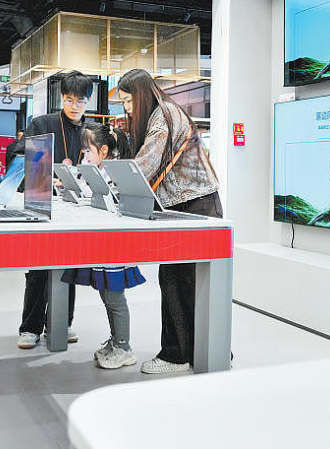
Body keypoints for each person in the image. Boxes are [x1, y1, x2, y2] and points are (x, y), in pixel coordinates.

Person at [117, 68, 222, 374]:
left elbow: (145, 164)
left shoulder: (163, 116)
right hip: (189, 205)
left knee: (181, 280)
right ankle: (203, 350)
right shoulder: (161, 113)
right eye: (123, 102)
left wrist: (115, 185)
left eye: (129, 101)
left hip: (196, 206)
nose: (127, 108)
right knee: (183, 281)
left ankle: (178, 356)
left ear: (141, 95)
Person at [17, 70, 92, 349]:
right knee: (38, 268)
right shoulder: (43, 123)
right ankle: (30, 327)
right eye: (69, 100)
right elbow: (22, 154)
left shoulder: (91, 132)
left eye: (80, 101)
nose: (74, 106)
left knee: (69, 267)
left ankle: (61, 323)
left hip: (76, 208)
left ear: (88, 101)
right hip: (44, 204)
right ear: (61, 97)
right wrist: (48, 174)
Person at [61, 123, 143, 369]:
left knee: (115, 298)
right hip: (102, 245)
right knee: (107, 296)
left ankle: (124, 347)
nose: (85, 155)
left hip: (115, 247)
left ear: (104, 150)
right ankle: (116, 342)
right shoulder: (95, 171)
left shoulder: (114, 174)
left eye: (88, 150)